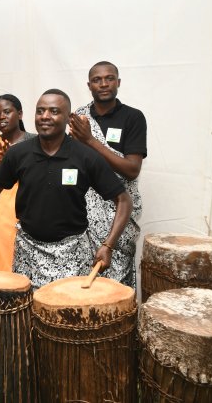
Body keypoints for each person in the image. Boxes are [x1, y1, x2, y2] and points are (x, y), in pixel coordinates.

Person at [0, 89, 133, 290]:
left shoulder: (85, 156)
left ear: (68, 118)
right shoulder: (18, 154)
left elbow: (124, 200)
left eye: (54, 111)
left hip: (72, 254)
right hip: (27, 251)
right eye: (40, 111)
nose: (45, 116)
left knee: (67, 308)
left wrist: (108, 245)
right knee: (26, 307)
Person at [70, 61, 147, 288]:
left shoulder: (133, 117)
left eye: (109, 78)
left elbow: (131, 170)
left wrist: (90, 141)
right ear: (89, 86)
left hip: (119, 207)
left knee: (115, 286)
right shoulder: (80, 118)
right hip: (83, 211)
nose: (103, 84)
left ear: (118, 82)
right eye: (97, 80)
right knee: (81, 281)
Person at [0, 94, 36, 271]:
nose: (1, 117)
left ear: (20, 114)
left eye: (7, 112)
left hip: (26, 212)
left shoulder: (35, 141)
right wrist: (0, 163)